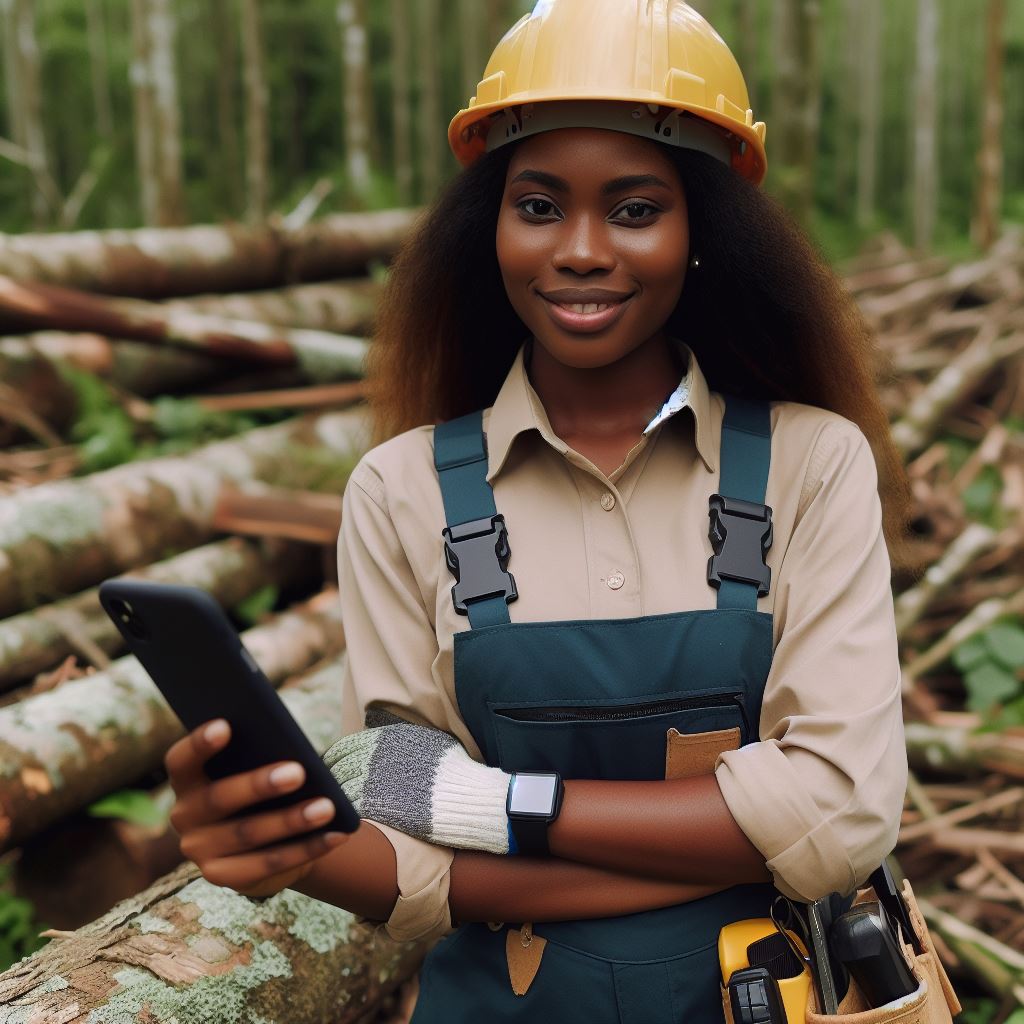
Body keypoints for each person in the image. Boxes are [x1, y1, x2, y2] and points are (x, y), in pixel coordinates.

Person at [164, 2, 912, 1020]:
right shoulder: (402, 491)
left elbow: (840, 812)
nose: (581, 250)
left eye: (636, 208)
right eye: (540, 205)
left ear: (703, 230)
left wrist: (491, 806)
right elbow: (405, 856)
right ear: (492, 228)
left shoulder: (808, 464)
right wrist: (285, 848)